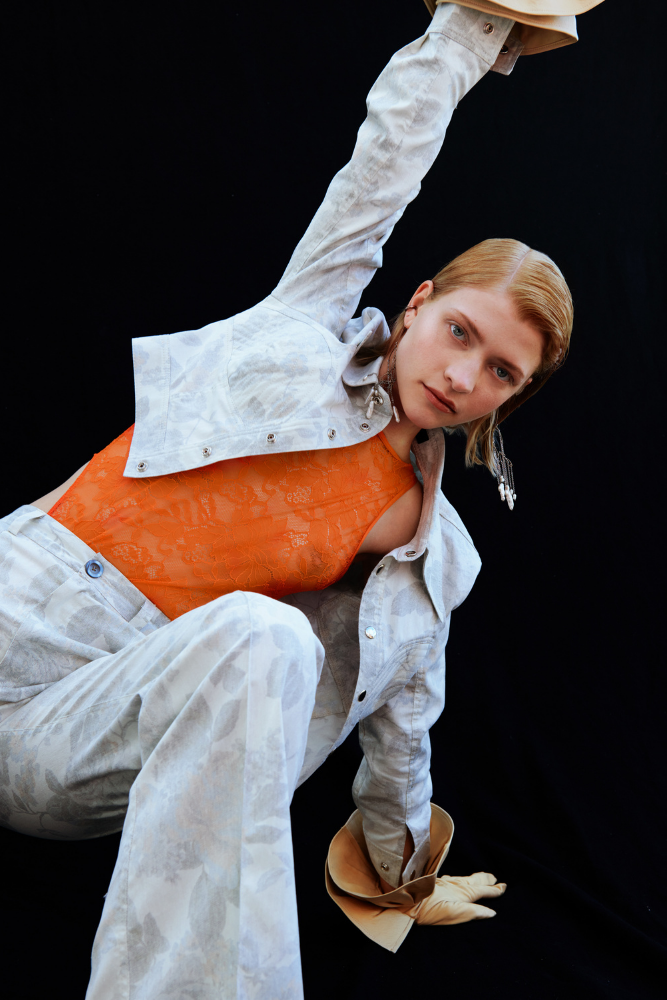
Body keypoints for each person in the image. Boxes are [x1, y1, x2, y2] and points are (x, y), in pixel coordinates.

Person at [0, 3, 595, 997]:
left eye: (500, 371)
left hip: (76, 728)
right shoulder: (298, 329)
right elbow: (387, 156)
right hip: (16, 589)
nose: (462, 375)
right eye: (459, 331)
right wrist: (477, 23)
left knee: (266, 636)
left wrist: (404, 879)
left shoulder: (422, 546)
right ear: (417, 302)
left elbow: (403, 732)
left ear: (511, 398)